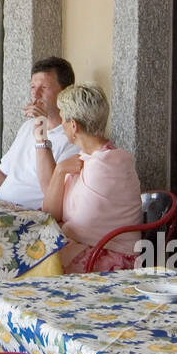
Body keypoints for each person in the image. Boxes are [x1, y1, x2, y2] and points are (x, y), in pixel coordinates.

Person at [39, 83, 142, 272]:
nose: (61, 126)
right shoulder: (86, 159)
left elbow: (81, 226)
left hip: (111, 257)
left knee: (30, 261)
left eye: (62, 120)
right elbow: (51, 213)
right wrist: (60, 170)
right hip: (90, 248)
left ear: (73, 126)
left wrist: (63, 226)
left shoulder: (109, 164)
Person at [0, 57, 80, 209]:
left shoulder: (74, 137)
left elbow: (52, 192)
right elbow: (2, 173)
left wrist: (41, 135)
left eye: (44, 88)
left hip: (28, 219)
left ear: (65, 92)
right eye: (33, 87)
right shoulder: (27, 127)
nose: (35, 94)